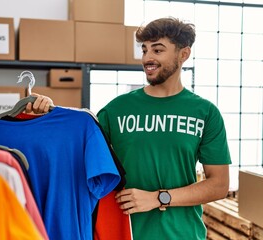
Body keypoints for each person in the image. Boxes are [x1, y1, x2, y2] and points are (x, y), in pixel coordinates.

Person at [28, 17, 231, 239]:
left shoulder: (206, 113)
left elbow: (218, 185)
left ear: (183, 54)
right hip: (124, 232)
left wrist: (158, 198)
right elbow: (76, 141)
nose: (147, 58)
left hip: (183, 234)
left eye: (157, 50)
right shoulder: (116, 109)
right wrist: (48, 112)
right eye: (144, 50)